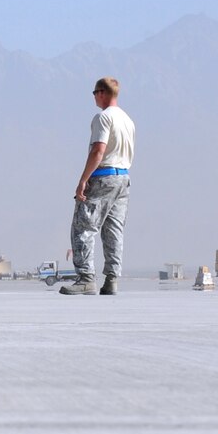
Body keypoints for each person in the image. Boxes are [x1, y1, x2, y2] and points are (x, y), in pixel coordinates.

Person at [61, 76, 136, 295]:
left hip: (103, 176)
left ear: (102, 93)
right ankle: (111, 279)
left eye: (95, 93)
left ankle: (86, 278)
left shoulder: (103, 118)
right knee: (114, 230)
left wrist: (83, 179)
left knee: (84, 227)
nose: (94, 97)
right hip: (123, 178)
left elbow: (98, 150)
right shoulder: (128, 120)